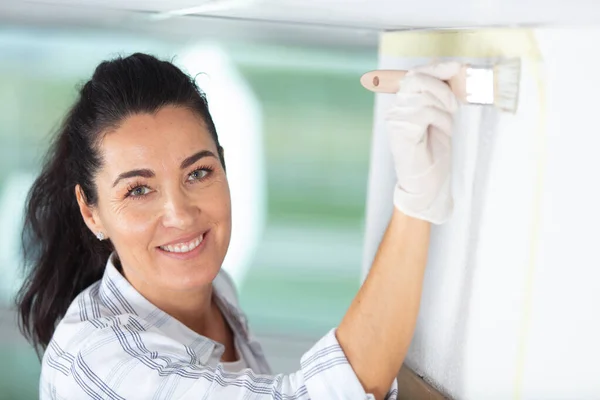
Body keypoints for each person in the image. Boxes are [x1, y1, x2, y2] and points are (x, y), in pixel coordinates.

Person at [15, 53, 460, 400]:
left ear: (224, 166)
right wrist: (416, 200)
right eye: (138, 191)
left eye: (198, 173)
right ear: (91, 211)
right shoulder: (97, 362)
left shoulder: (214, 292)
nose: (181, 215)